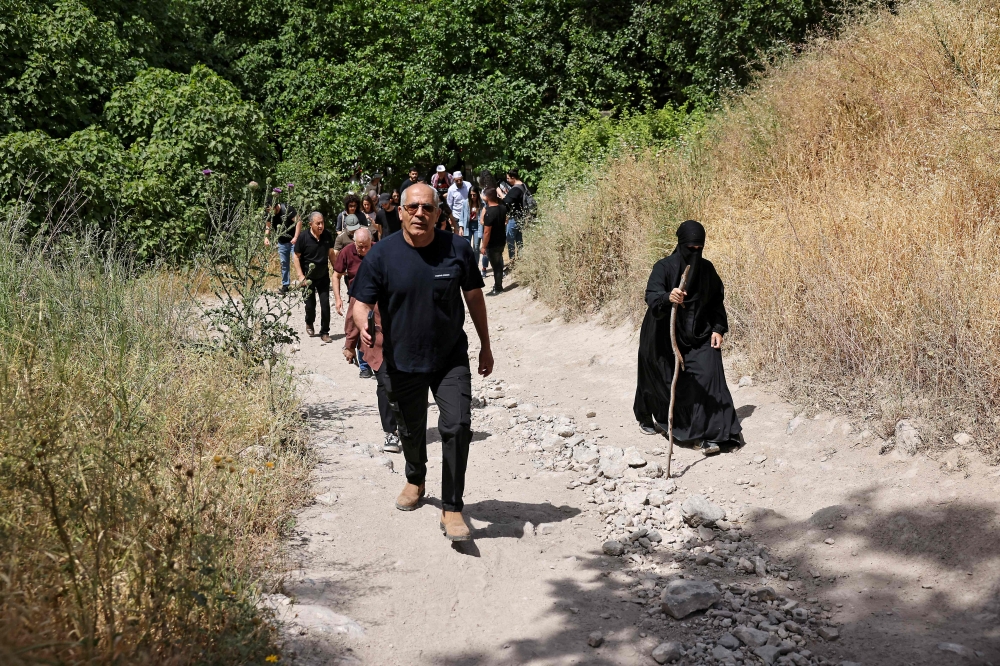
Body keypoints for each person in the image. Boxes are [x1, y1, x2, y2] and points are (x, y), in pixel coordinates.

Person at [351, 182, 493, 541]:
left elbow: (475, 297)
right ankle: (415, 479)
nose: (419, 214)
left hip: (450, 359)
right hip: (402, 360)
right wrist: (362, 324)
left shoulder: (457, 249)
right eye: (412, 207)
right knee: (411, 430)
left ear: (438, 212)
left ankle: (452, 507)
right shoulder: (381, 255)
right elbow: (361, 303)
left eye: (427, 208)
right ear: (400, 211)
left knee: (458, 426)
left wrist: (485, 345)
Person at [633, 220, 742, 455]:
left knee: (710, 373)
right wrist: (667, 296)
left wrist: (718, 329)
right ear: (680, 244)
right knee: (657, 379)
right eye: (689, 248)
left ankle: (715, 433)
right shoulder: (664, 267)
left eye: (699, 248)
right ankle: (650, 418)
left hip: (699, 333)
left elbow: (716, 302)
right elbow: (652, 296)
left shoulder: (707, 269)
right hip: (662, 333)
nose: (694, 253)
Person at [333, 227, 375, 379]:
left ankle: (378, 363)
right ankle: (364, 365)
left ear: (371, 242)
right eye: (360, 246)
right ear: (354, 242)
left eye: (366, 246)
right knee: (358, 326)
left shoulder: (379, 251)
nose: (363, 249)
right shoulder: (347, 251)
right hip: (357, 295)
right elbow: (336, 276)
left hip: (377, 296)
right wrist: (338, 298)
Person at [293, 212, 335, 343]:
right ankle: (309, 322)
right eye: (318, 223)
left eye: (322, 222)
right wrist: (300, 276)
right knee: (310, 306)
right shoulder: (303, 237)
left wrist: (337, 269)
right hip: (308, 278)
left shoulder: (327, 235)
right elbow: (296, 256)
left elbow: (331, 254)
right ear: (311, 224)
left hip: (323, 276)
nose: (321, 226)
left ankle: (325, 332)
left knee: (325, 305)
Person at [264, 202, 300, 294]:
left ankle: (304, 281)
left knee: (297, 261)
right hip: (282, 242)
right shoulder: (269, 213)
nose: (270, 212)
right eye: (268, 211)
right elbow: (268, 226)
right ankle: (285, 286)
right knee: (284, 263)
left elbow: (299, 222)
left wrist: (296, 237)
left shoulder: (287, 209)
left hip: (294, 240)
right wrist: (266, 237)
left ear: (276, 206)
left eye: (271, 209)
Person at [479, 187, 506, 296]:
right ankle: (498, 285)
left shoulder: (489, 212)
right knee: (498, 263)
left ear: (487, 197)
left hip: (493, 243)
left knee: (496, 266)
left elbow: (486, 232)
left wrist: (483, 246)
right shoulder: (502, 208)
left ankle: (498, 287)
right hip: (501, 241)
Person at [502, 169, 528, 262]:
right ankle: (521, 260)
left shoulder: (516, 188)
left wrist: (502, 195)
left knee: (510, 241)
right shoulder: (523, 185)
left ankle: (512, 261)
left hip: (514, 218)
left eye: (508, 178)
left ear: (513, 178)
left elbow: (506, 201)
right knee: (519, 240)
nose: (507, 180)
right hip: (521, 217)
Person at [446, 171, 471, 237]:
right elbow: (449, 204)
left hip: (467, 214)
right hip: (456, 215)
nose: (459, 182)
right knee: (458, 235)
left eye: (460, 180)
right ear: (454, 180)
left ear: (462, 178)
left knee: (467, 234)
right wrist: (450, 217)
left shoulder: (468, 185)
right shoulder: (451, 189)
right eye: (457, 181)